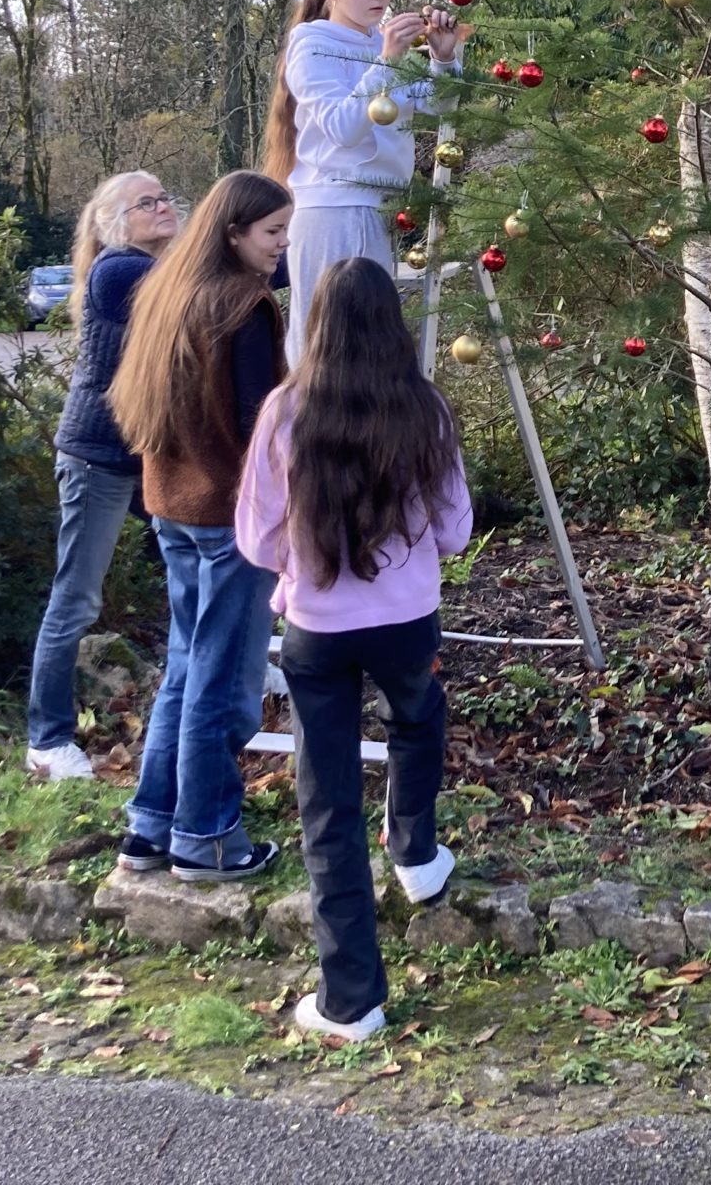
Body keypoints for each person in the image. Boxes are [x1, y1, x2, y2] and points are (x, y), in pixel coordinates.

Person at [237, 257, 468, 1041]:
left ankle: (351, 999)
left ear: (317, 323)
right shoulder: (425, 409)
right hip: (407, 620)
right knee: (418, 719)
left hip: (316, 630)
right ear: (392, 324)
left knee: (328, 803)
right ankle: (416, 853)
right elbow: (454, 529)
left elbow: (256, 538)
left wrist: (307, 561)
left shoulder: (284, 410)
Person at [107, 169, 294, 881]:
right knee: (221, 684)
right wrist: (288, 511)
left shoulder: (167, 291)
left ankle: (151, 827)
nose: (283, 244)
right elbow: (258, 426)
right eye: (273, 231)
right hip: (226, 516)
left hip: (172, 508)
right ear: (233, 233)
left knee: (185, 669)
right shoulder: (244, 304)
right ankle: (207, 837)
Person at [23, 172, 181, 781]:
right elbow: (204, 282)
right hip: (98, 458)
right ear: (115, 225)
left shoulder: (155, 267)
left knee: (194, 566)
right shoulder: (119, 271)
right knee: (76, 599)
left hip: (149, 454)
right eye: (146, 203)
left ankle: (230, 670)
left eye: (164, 197)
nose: (163, 206)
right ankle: (46, 741)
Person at [262, 0, 467, 359]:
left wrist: (444, 59)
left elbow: (438, 106)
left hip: (377, 209)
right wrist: (387, 59)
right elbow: (343, 127)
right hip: (331, 210)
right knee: (321, 341)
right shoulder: (312, 44)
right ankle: (302, 406)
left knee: (368, 344)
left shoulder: (380, 43)